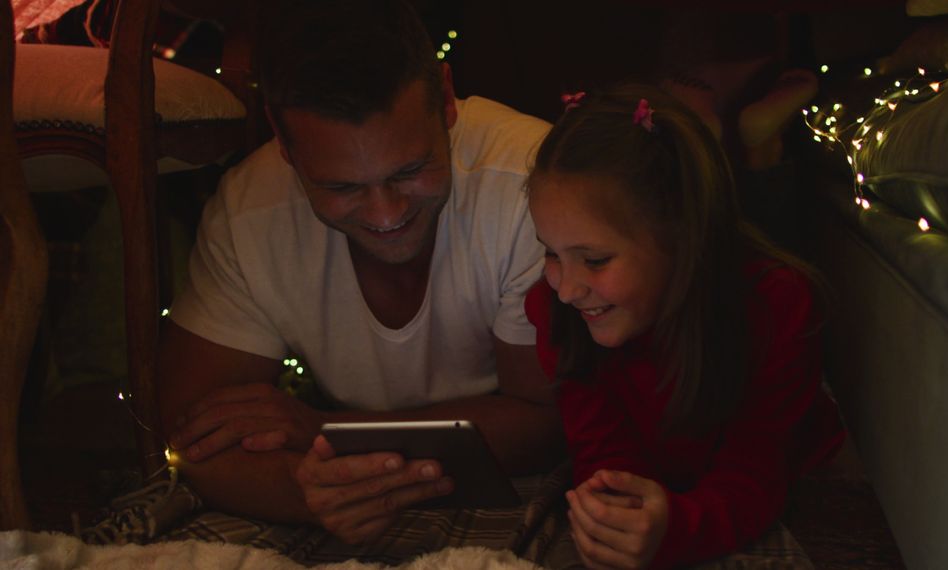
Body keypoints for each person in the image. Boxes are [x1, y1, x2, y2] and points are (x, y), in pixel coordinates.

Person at [157, 0, 563, 544]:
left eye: (411, 170)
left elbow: (547, 423)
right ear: (281, 135)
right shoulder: (249, 214)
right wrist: (304, 488)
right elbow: (190, 432)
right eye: (341, 186)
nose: (386, 214)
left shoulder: (532, 184)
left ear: (445, 98)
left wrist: (319, 431)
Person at [524, 84, 846, 569]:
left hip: (791, 471)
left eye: (594, 259)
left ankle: (757, 145)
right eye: (551, 252)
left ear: (679, 237)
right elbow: (604, 454)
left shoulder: (775, 306)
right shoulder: (558, 313)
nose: (567, 288)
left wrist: (675, 530)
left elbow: (756, 477)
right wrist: (617, 516)